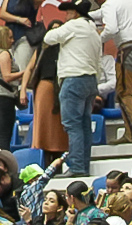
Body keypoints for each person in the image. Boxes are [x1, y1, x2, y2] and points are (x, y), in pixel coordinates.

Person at [44, 1, 102, 178]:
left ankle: (76, 167)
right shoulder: (94, 31)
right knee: (84, 125)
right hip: (90, 79)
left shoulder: (74, 26)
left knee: (73, 125)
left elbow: (49, 38)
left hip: (73, 78)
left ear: (76, 14)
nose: (66, 17)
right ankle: (83, 165)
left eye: (68, 13)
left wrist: (59, 28)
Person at [97, 0, 132, 144]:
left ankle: (131, 134)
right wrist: (84, 14)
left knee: (124, 92)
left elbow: (111, 29)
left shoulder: (109, 5)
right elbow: (100, 13)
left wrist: (97, 40)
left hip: (130, 47)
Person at [22, 20, 69, 164]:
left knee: (59, 129)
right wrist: (23, 90)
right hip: (45, 87)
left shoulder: (67, 48)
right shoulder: (42, 48)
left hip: (62, 87)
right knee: (44, 127)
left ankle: (59, 160)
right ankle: (47, 160)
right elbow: (29, 69)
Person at [0, 26, 24, 152]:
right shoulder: (4, 54)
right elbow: (7, 77)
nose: (12, 40)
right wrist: (24, 72)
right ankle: (3, 160)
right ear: (3, 38)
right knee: (4, 136)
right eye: (10, 38)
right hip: (3, 98)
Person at [0, 0, 45, 69]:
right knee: (7, 66)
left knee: (21, 67)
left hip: (25, 36)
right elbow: (2, 14)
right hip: (8, 38)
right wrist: (18, 19)